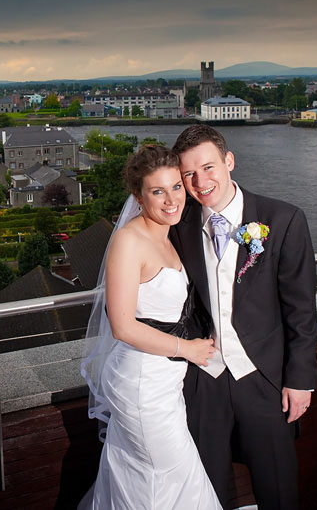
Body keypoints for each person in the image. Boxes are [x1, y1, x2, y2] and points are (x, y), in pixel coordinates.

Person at [170, 125, 317, 510]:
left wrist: (300, 380)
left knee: (278, 487)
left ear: (229, 161)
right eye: (189, 174)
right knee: (206, 490)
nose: (201, 182)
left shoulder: (283, 219)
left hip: (265, 379)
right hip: (204, 381)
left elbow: (301, 309)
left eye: (208, 167)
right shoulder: (177, 226)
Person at [80, 144, 223, 510]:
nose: (172, 199)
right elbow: (123, 325)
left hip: (164, 383)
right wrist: (187, 349)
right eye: (157, 191)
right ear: (138, 196)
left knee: (145, 474)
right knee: (171, 475)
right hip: (141, 385)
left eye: (176, 186)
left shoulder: (168, 234)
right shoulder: (129, 242)